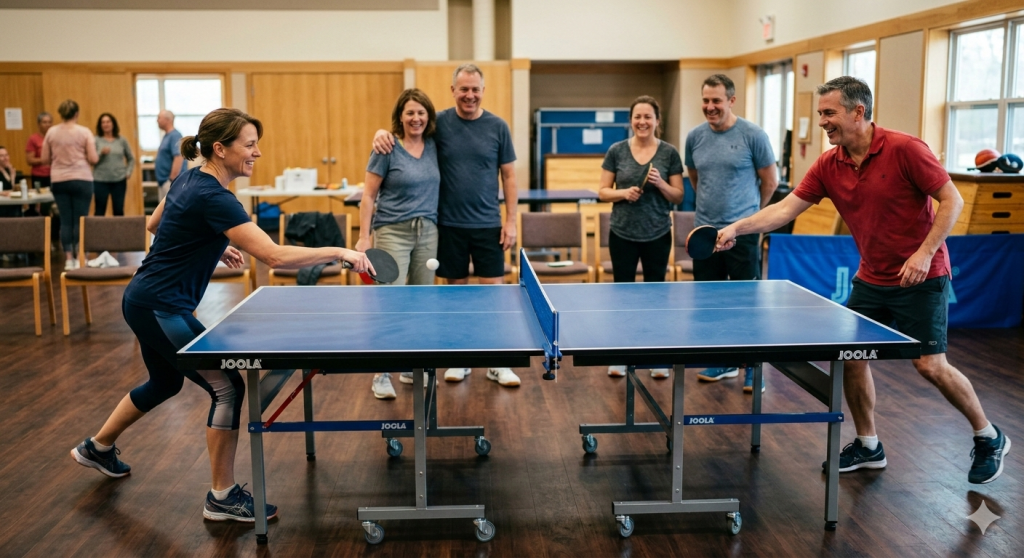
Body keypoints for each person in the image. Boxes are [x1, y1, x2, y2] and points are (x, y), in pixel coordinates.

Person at [69, 108, 373, 522]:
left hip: (145, 299)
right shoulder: (215, 197)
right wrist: (341, 251)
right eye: (249, 145)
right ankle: (222, 496)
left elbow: (156, 222)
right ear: (220, 148)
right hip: (161, 306)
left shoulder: (189, 177)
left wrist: (213, 240)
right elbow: (274, 254)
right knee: (227, 387)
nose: (257, 153)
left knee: (165, 382)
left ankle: (97, 447)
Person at [716, 76, 1009, 484]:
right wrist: (739, 226)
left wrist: (924, 254)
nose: (822, 122)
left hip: (921, 278)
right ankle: (869, 445)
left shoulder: (906, 149)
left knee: (930, 366)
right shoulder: (829, 163)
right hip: (872, 278)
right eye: (820, 113)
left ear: (859, 112)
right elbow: (785, 210)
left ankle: (988, 435)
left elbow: (952, 199)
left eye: (829, 113)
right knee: (851, 357)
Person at [372, 64, 521, 388]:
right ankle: (459, 359)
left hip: (487, 225)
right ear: (453, 90)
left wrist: (510, 222)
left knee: (493, 297)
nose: (469, 95)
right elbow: (406, 134)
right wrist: (382, 133)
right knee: (455, 299)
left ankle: (498, 362)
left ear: (483, 90)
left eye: (475, 89)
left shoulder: (498, 126)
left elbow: (509, 176)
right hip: (449, 226)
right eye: (463, 89)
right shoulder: (438, 124)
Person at [685, 74, 777, 393]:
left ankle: (752, 368)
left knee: (744, 302)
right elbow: (696, 179)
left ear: (731, 101)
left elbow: (770, 182)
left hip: (744, 232)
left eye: (717, 101)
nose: (710, 107)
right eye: (706, 100)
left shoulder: (753, 135)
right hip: (706, 232)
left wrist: (750, 219)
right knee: (711, 302)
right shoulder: (694, 137)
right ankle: (724, 360)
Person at [359, 89, 442, 399]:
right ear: (400, 117)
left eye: (421, 112)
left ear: (428, 116)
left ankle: (410, 367)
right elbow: (368, 196)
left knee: (421, 302)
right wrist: (364, 238)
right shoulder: (386, 147)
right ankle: (381, 373)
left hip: (428, 231)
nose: (416, 118)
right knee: (390, 302)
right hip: (392, 230)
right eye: (410, 112)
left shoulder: (435, 145)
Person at [599, 96, 684, 379]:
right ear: (631, 120)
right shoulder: (617, 150)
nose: (642, 122)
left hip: (657, 233)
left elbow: (679, 195)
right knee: (623, 296)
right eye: (637, 117)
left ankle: (655, 355)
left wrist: (660, 184)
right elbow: (602, 191)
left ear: (657, 121)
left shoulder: (670, 153)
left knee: (655, 297)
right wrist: (623, 193)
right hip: (622, 233)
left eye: (648, 117)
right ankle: (621, 355)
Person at [41, 100, 98, 270]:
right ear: (77, 114)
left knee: (65, 220)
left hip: (59, 179)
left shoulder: (51, 132)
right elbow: (93, 158)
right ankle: (81, 257)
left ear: (60, 114)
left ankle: (68, 258)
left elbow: (44, 159)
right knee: (81, 219)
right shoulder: (84, 132)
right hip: (82, 178)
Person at [93, 113, 135, 217]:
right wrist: (100, 153)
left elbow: (131, 158)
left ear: (113, 124)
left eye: (108, 122)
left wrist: (128, 172)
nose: (105, 124)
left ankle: (119, 233)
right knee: (99, 211)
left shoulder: (121, 140)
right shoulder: (95, 140)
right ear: (100, 125)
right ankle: (98, 233)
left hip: (119, 180)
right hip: (100, 180)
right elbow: (91, 160)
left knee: (118, 210)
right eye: (103, 122)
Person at [155, 110, 186, 201]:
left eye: (159, 118)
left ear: (168, 120)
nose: (157, 121)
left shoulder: (175, 136)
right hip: (164, 182)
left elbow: (178, 157)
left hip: (170, 182)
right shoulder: (167, 136)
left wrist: (171, 180)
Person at [25, 112, 53, 189]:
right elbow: (29, 160)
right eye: (44, 122)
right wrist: (45, 160)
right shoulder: (33, 139)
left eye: (49, 122)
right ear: (39, 124)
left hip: (54, 175)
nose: (47, 124)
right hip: (39, 175)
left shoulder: (55, 138)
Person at [0, 146, 22, 218]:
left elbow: (13, 188)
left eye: (6, 155)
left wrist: (12, 176)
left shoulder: (9, 170)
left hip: (11, 202)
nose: (5, 158)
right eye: (2, 156)